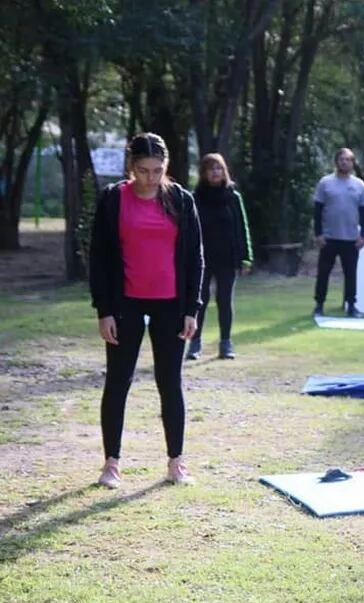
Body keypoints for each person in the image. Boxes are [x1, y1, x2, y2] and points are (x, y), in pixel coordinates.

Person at [88, 132, 203, 488]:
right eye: (143, 170)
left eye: (157, 170)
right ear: (130, 167)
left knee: (170, 382)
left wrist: (191, 308)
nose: (151, 178)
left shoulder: (180, 200)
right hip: (126, 304)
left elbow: (195, 257)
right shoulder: (112, 200)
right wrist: (104, 310)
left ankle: (176, 462)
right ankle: (111, 464)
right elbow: (99, 259)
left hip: (171, 304)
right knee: (117, 382)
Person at [187, 153, 253, 360]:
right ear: (204, 173)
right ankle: (195, 344)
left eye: (219, 168)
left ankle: (226, 344)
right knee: (200, 300)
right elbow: (188, 230)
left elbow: (243, 228)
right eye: (211, 169)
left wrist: (246, 257)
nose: (215, 172)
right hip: (203, 258)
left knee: (225, 300)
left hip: (228, 257)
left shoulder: (233, 197)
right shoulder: (195, 198)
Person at [312, 148, 364, 318]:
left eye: (348, 160)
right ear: (336, 162)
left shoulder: (359, 185)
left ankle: (351, 305)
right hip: (328, 238)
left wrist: (363, 235)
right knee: (323, 272)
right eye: (342, 159)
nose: (345, 162)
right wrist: (318, 234)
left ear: (353, 163)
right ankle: (319, 304)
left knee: (351, 274)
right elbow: (317, 210)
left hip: (351, 238)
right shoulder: (325, 183)